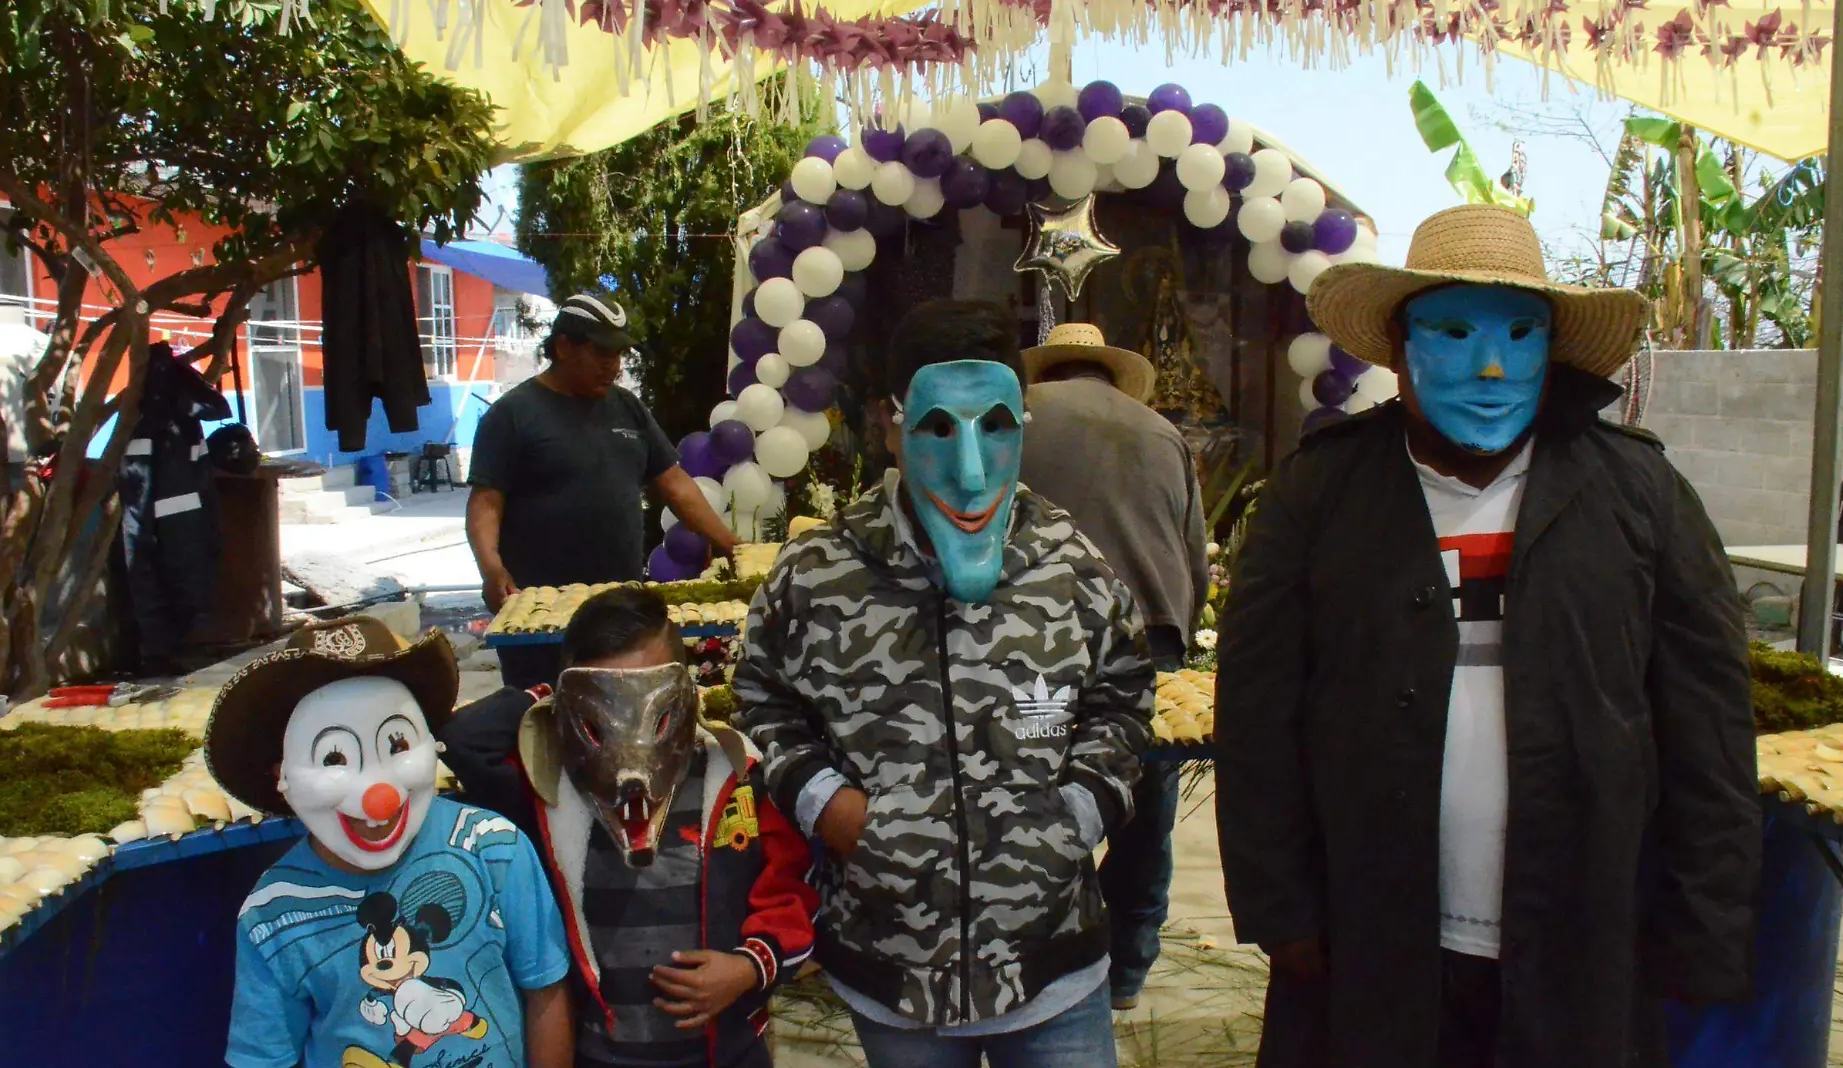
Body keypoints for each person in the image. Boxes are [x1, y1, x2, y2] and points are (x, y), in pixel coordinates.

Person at [1214, 204, 1760, 1068]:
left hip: (1584, 934)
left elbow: (1710, 727)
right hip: (1371, 931)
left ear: (1552, 347)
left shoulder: (1640, 495)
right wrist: (1279, 905)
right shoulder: (1319, 495)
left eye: (1520, 332)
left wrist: (1708, 923)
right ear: (1400, 349)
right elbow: (1256, 715)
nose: (1494, 365)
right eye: (1456, 331)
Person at [733, 299, 1155, 1067]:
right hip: (890, 969)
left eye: (996, 426)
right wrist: (831, 808)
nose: (969, 470)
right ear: (888, 425)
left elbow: (1124, 699)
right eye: (935, 428)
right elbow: (761, 701)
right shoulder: (816, 575)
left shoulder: (1072, 566)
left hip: (1051, 963)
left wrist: (1077, 814)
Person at [436, 586, 816, 1068]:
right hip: (600, 1052)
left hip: (725, 1052)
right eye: (606, 705)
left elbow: (792, 891)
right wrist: (561, 698)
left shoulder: (737, 779)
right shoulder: (551, 786)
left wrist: (748, 967)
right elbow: (467, 741)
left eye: (647, 700)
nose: (629, 736)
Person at [208, 618, 573, 1068]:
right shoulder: (274, 913)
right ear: (280, 774)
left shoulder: (492, 847)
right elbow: (263, 1059)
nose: (377, 795)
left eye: (396, 743)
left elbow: (546, 990)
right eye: (335, 757)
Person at [1019, 322, 1208, 1011]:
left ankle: (1040, 958)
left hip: (1040, 633)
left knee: (1037, 792)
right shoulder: (1164, 434)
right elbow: (1193, 555)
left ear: (1050, 372)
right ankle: (1127, 969)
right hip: (1147, 634)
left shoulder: (1020, 419)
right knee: (1144, 807)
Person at [467, 292, 739, 688]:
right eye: (601, 353)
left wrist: (730, 544)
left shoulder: (627, 407)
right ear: (562, 347)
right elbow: (486, 503)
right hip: (539, 615)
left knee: (618, 709)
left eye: (619, 354)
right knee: (543, 715)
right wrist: (490, 567)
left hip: (618, 612)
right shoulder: (512, 415)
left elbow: (674, 483)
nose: (614, 366)